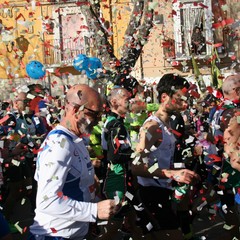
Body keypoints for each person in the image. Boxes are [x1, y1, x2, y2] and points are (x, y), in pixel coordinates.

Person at [29, 84, 118, 240]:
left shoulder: (75, 140)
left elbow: (79, 188)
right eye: (95, 114)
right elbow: (47, 201)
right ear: (76, 110)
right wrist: (94, 210)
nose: (98, 120)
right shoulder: (59, 145)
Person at [131, 73, 200, 240]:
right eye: (180, 98)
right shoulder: (153, 127)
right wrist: (170, 174)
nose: (184, 102)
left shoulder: (168, 124)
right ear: (164, 97)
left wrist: (182, 169)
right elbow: (136, 165)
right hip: (150, 193)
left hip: (162, 191)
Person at [98, 87, 142, 239]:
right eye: (125, 98)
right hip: (116, 177)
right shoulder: (115, 124)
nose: (129, 101)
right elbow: (115, 156)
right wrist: (137, 154)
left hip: (123, 177)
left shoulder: (116, 122)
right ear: (114, 102)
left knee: (132, 218)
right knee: (114, 224)